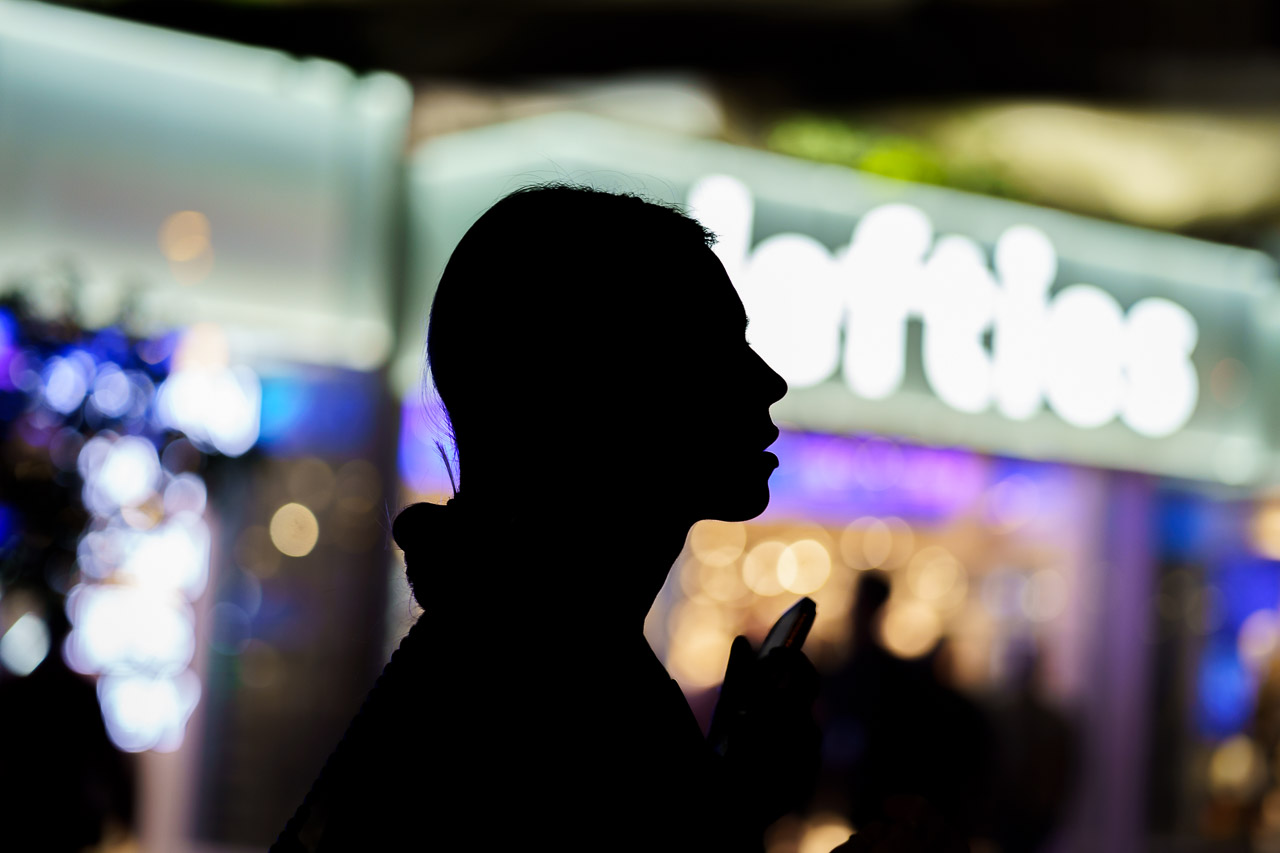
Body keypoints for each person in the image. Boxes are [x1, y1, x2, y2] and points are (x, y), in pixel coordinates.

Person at [272, 184, 820, 851]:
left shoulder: (512, 651)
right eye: (716, 347)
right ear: (607, 388)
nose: (768, 381)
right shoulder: (552, 690)